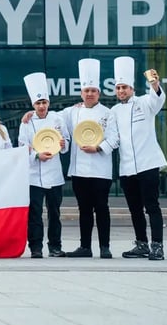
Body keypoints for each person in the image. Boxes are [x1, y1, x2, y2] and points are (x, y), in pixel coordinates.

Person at [60, 59, 119, 259]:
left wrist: (98, 147)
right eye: (86, 90)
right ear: (81, 93)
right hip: (79, 171)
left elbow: (114, 139)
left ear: (99, 93)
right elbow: (51, 117)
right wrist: (31, 113)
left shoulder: (108, 113)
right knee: (84, 209)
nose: (90, 94)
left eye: (93, 90)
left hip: (101, 170)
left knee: (102, 208)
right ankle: (85, 247)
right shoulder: (72, 112)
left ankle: (105, 247)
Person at [112, 56, 167, 261]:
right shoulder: (114, 111)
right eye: (118, 88)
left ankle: (158, 246)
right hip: (127, 168)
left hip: (148, 164)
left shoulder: (145, 103)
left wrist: (154, 84)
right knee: (134, 209)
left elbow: (158, 98)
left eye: (124, 87)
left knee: (152, 206)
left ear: (132, 89)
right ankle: (142, 244)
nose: (121, 91)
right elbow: (113, 137)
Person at [17, 72, 70, 259]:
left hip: (54, 174)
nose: (41, 106)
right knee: (35, 214)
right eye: (38, 103)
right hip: (33, 175)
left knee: (55, 213)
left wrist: (64, 145)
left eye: (44, 103)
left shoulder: (57, 119)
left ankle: (55, 247)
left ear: (48, 103)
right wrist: (36, 155)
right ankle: (36, 248)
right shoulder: (26, 122)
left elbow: (65, 141)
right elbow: (22, 146)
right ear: (33, 105)